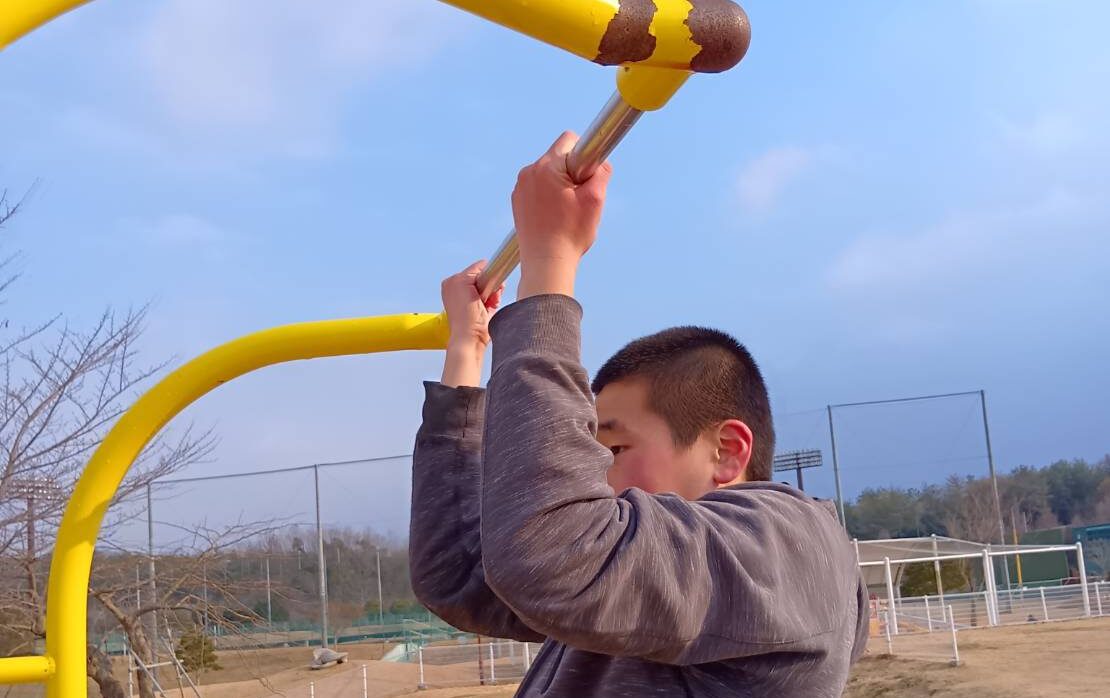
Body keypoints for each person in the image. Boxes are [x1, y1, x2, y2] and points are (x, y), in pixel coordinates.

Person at [409, 132, 868, 697]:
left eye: (616, 448)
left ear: (726, 451)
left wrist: (549, 261)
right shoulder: (634, 571)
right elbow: (459, 575)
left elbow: (546, 553)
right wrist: (467, 351)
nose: (595, 475)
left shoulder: (787, 550)